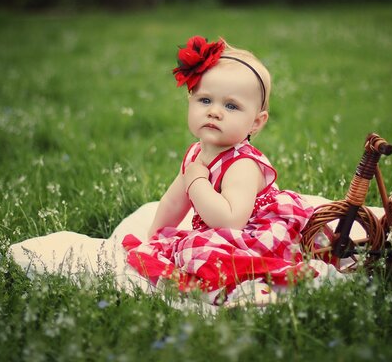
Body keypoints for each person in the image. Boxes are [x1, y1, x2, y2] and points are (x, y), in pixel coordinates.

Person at [121, 36, 319, 304]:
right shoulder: (196, 153)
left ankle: (245, 287)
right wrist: (154, 237)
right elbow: (174, 201)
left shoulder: (243, 164)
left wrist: (198, 182)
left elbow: (230, 221)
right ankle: (218, 281)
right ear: (190, 101)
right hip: (222, 232)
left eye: (231, 106)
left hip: (254, 233)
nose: (214, 112)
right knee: (183, 247)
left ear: (256, 123)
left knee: (197, 249)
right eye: (205, 100)